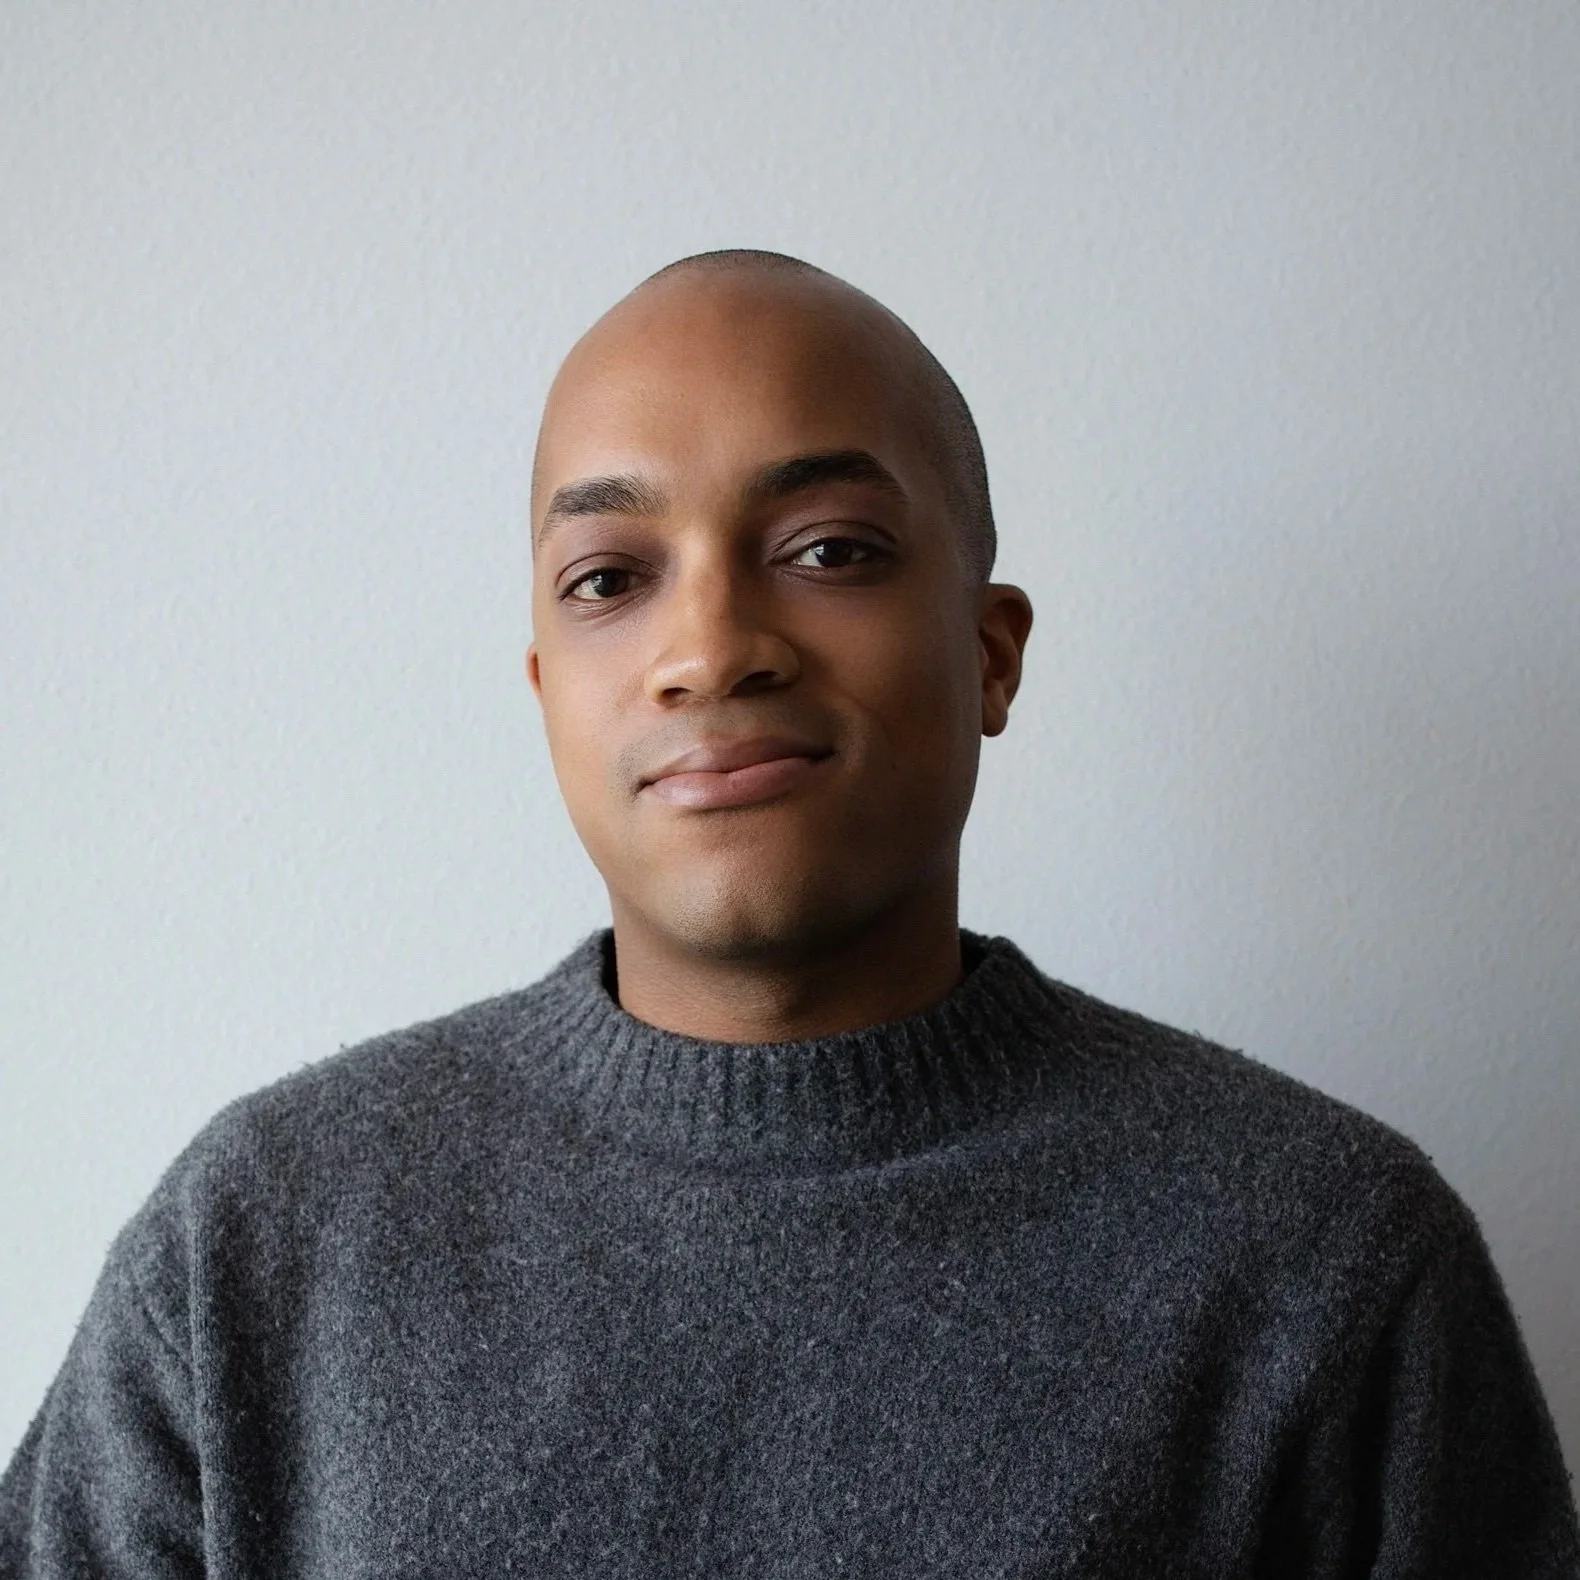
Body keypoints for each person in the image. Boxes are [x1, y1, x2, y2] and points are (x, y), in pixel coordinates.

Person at [2, 249, 1575, 1578]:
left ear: (991, 653)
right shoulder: (260, 1247)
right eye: (611, 578)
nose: (712, 648)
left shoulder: (1327, 1262)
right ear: (548, 690)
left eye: (829, 550)